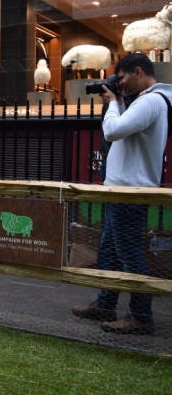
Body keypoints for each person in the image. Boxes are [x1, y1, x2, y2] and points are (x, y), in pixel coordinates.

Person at [72, 53, 172, 335]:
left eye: (123, 78)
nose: (120, 84)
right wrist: (119, 102)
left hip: (130, 191)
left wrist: (114, 103)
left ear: (138, 72)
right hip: (122, 189)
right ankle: (105, 304)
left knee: (128, 252)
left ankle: (141, 316)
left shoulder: (151, 101)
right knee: (110, 250)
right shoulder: (144, 101)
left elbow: (113, 131)